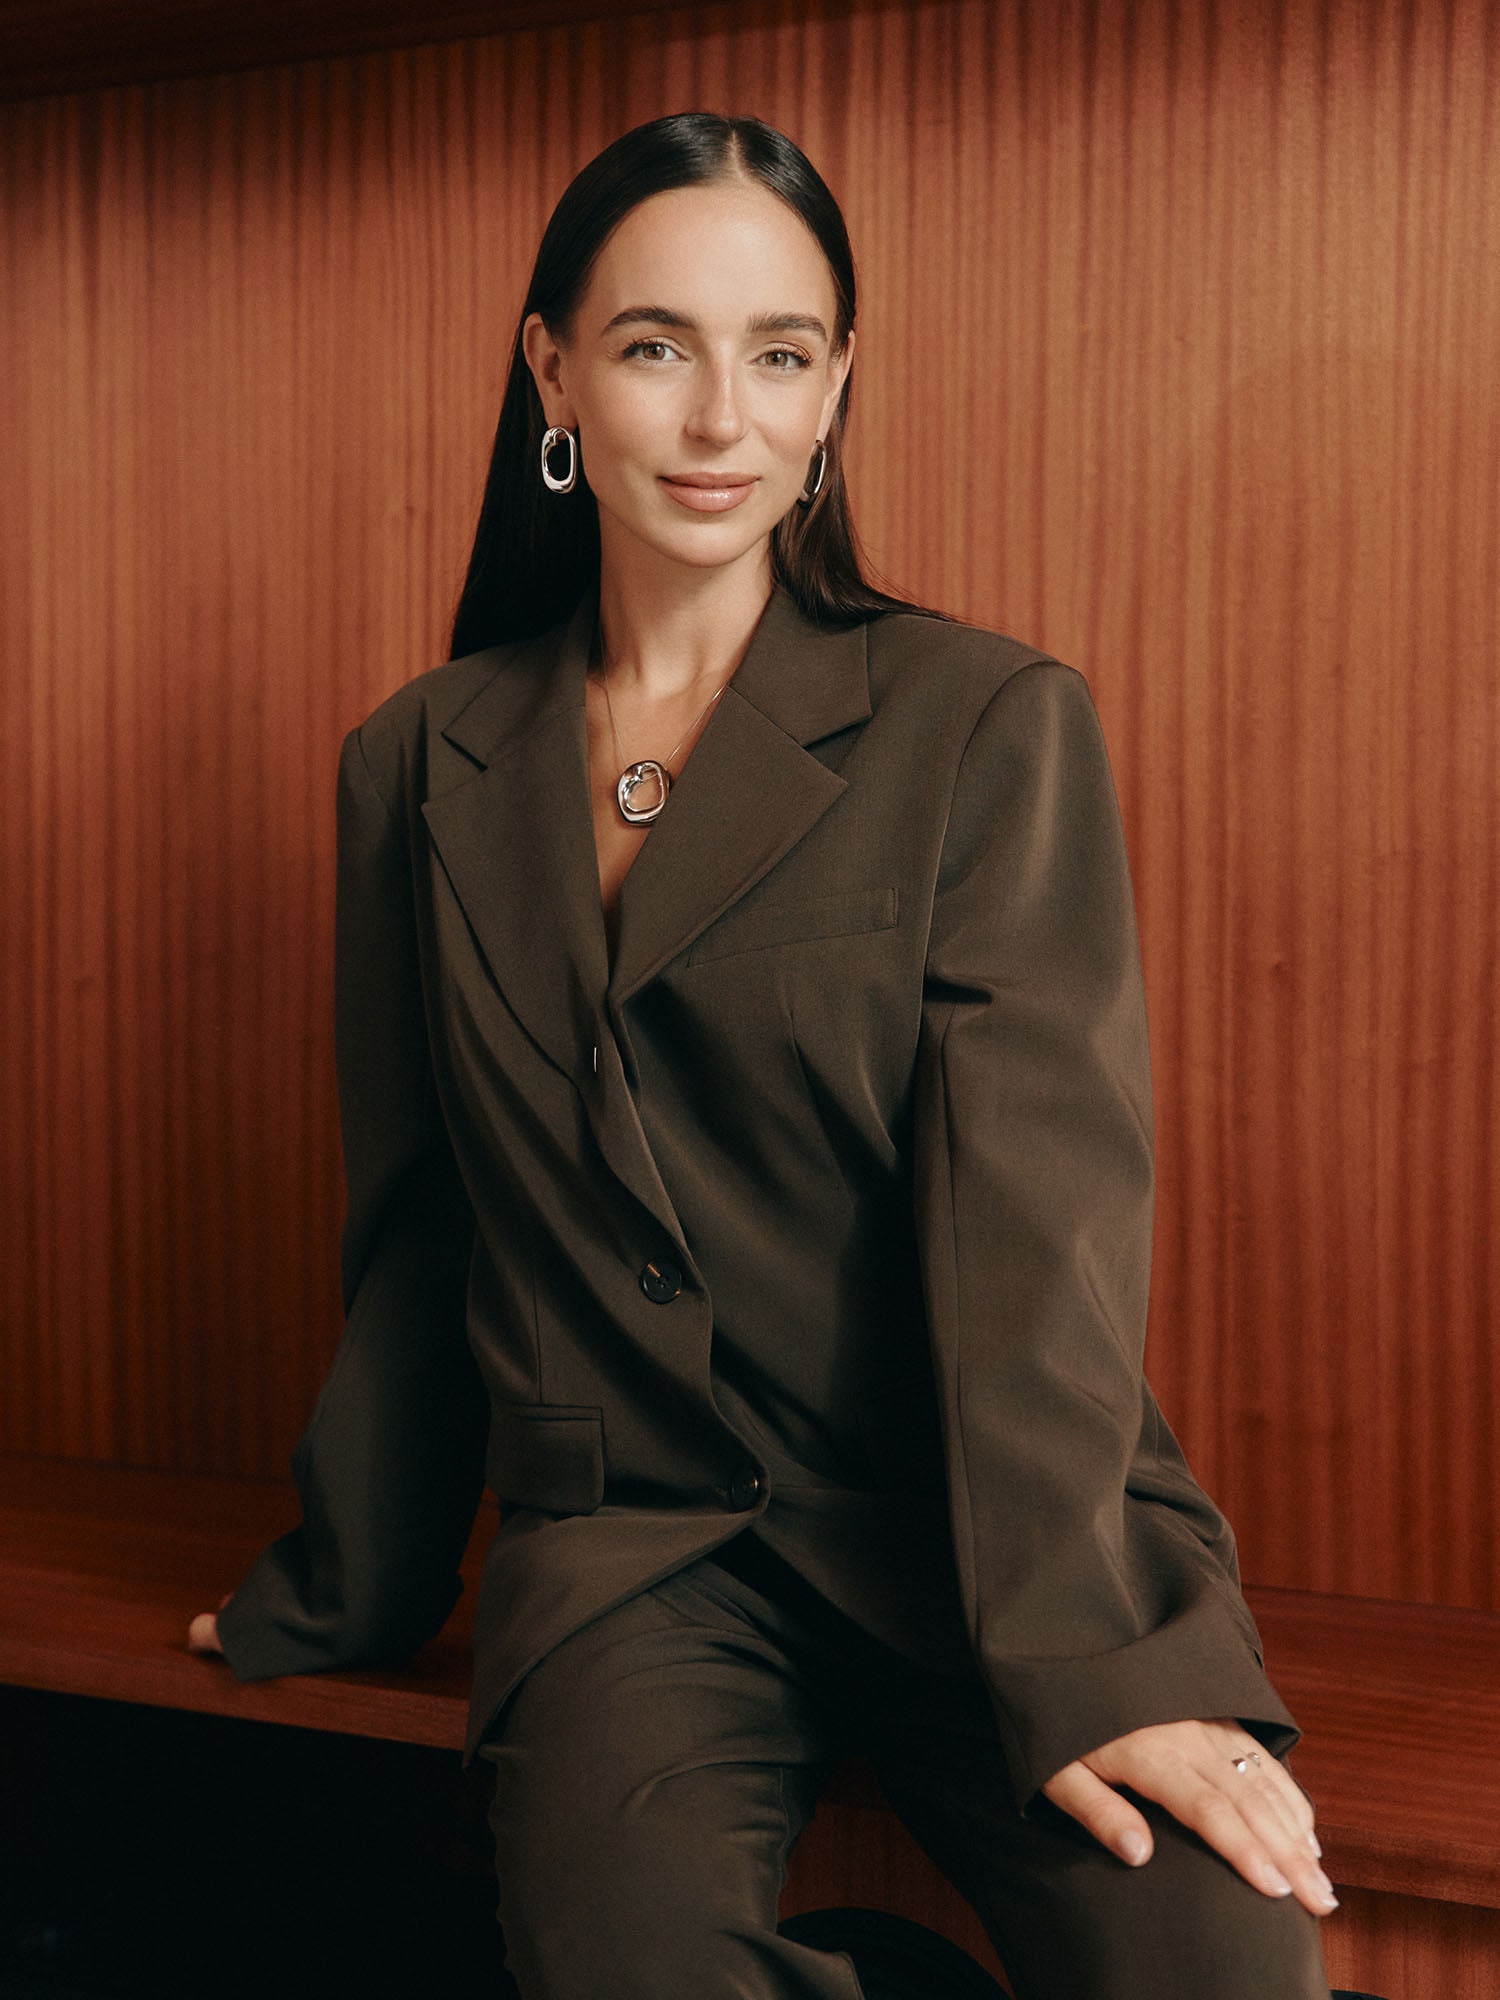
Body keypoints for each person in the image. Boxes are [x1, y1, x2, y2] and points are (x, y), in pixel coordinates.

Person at [189, 111, 1338, 1998]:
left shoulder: (983, 723)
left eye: (782, 354)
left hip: (987, 1532)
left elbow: (1040, 1237)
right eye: (657, 345)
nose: (723, 416)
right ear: (553, 370)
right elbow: (423, 1232)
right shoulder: (417, 762)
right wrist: (348, 1581)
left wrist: (1092, 1657)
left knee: (1223, 1962)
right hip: (637, 1564)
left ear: (836, 388)